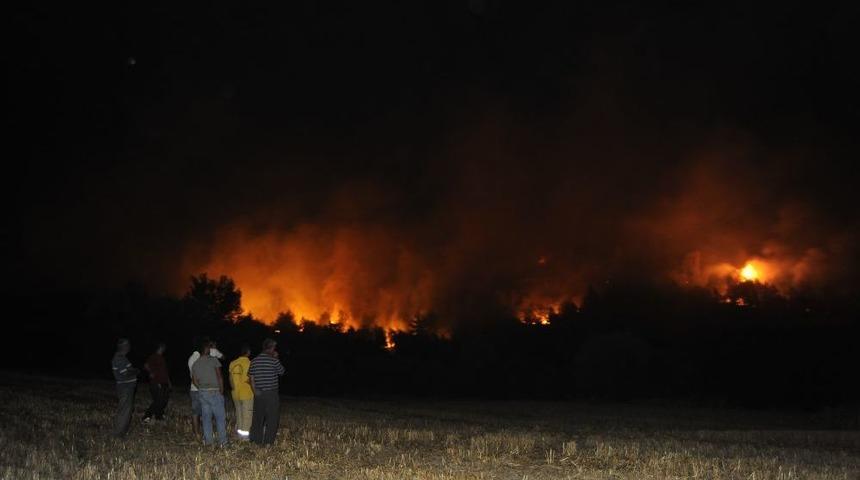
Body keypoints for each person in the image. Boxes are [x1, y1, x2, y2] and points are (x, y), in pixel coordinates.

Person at [248, 338, 285, 445]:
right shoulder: (273, 360)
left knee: (258, 418)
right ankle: (268, 442)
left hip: (258, 393)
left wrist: (254, 391)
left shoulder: (254, 361)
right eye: (274, 348)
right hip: (271, 393)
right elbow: (282, 372)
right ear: (272, 348)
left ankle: (255, 440)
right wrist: (276, 358)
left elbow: (251, 378)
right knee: (272, 418)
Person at [191, 340, 227, 446]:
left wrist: (200, 388)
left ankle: (209, 442)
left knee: (206, 419)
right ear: (206, 349)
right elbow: (219, 376)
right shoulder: (213, 360)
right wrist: (221, 390)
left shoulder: (196, 363)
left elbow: (194, 380)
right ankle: (223, 442)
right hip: (214, 391)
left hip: (203, 393)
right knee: (220, 418)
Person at [111, 338, 139, 438]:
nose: (129, 346)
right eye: (127, 345)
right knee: (124, 411)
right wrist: (135, 371)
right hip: (125, 388)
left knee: (126, 411)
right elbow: (126, 373)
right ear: (123, 347)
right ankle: (118, 434)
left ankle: (121, 432)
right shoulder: (119, 358)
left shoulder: (123, 358)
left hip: (127, 387)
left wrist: (133, 371)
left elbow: (128, 370)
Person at [229, 344, 254, 440]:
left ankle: (239, 433)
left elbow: (230, 379)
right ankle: (245, 437)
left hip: (235, 393)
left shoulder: (232, 363)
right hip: (246, 393)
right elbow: (249, 379)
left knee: (239, 413)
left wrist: (233, 388)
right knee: (247, 415)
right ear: (248, 352)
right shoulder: (250, 363)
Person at [143, 342, 171, 422]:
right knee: (158, 400)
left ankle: (159, 415)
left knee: (164, 400)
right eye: (163, 347)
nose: (165, 348)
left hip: (164, 382)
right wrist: (151, 372)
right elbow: (146, 365)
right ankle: (147, 416)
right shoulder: (154, 356)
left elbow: (164, 371)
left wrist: (169, 382)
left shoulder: (162, 358)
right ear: (160, 347)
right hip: (156, 382)